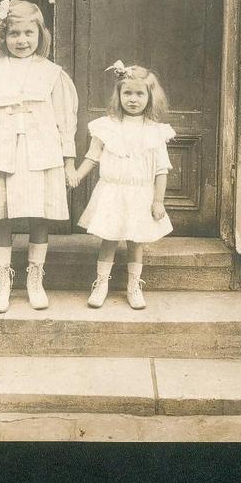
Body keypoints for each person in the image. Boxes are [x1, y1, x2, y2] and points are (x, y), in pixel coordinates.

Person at [0, 0, 78, 314]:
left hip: (41, 155)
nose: (22, 40)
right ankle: (2, 278)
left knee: (39, 216)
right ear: (2, 36)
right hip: (3, 153)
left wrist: (69, 161)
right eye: (14, 34)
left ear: (40, 34)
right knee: (3, 216)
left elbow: (66, 122)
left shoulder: (53, 74)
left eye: (28, 33)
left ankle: (35, 276)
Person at [68, 60, 175, 310]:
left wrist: (158, 201)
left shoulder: (155, 132)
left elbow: (161, 170)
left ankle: (134, 285)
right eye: (127, 93)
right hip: (112, 192)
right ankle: (101, 283)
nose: (133, 99)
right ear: (118, 95)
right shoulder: (107, 126)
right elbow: (92, 157)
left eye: (140, 94)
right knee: (109, 239)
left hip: (141, 194)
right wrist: (76, 175)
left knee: (136, 241)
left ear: (150, 97)